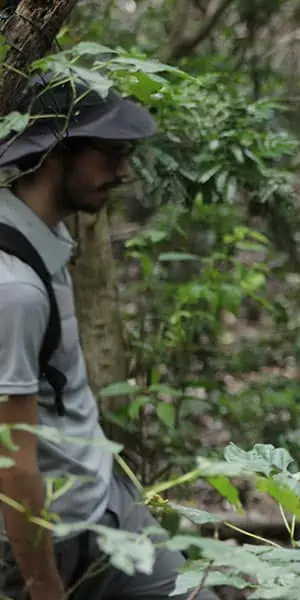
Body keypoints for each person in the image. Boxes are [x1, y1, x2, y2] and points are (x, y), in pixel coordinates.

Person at [0, 72, 217, 600]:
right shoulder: (14, 289)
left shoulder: (46, 235)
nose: (123, 173)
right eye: (110, 154)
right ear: (54, 154)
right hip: (44, 537)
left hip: (106, 504)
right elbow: (12, 460)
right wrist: (45, 586)